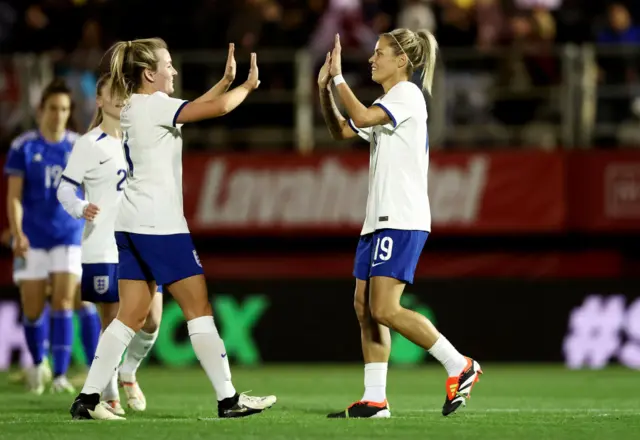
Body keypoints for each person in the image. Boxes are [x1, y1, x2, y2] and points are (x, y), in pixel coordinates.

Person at [69, 38, 276, 421]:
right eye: (167, 65)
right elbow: (214, 109)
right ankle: (228, 399)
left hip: (130, 223)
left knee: (129, 315)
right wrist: (245, 86)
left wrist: (224, 80)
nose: (174, 70)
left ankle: (88, 398)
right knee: (198, 308)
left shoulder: (134, 106)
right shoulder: (156, 106)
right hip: (160, 225)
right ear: (149, 74)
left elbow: (194, 107)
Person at [319, 30, 482, 418]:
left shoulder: (407, 95)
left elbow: (357, 116)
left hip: (401, 216)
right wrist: (326, 89)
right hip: (377, 220)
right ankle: (375, 399)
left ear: (402, 61)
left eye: (379, 54)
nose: (372, 59)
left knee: (385, 309)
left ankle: (459, 364)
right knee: (364, 306)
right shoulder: (388, 101)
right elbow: (342, 130)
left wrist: (339, 77)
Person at [57, 73, 163, 416]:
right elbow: (64, 188)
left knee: (152, 319)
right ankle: (110, 395)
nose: (119, 98)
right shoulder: (89, 143)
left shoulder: (139, 140)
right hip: (102, 245)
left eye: (124, 93)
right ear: (99, 100)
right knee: (112, 324)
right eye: (111, 93)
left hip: (141, 243)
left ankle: (128, 371)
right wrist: (79, 207)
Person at [4, 79, 100, 394]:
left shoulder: (79, 146)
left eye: (64, 109)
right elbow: (14, 196)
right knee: (32, 308)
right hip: (32, 238)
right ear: (40, 110)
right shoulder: (24, 146)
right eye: (53, 108)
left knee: (63, 300)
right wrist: (17, 233)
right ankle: (38, 364)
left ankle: (59, 374)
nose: (58, 115)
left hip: (69, 236)